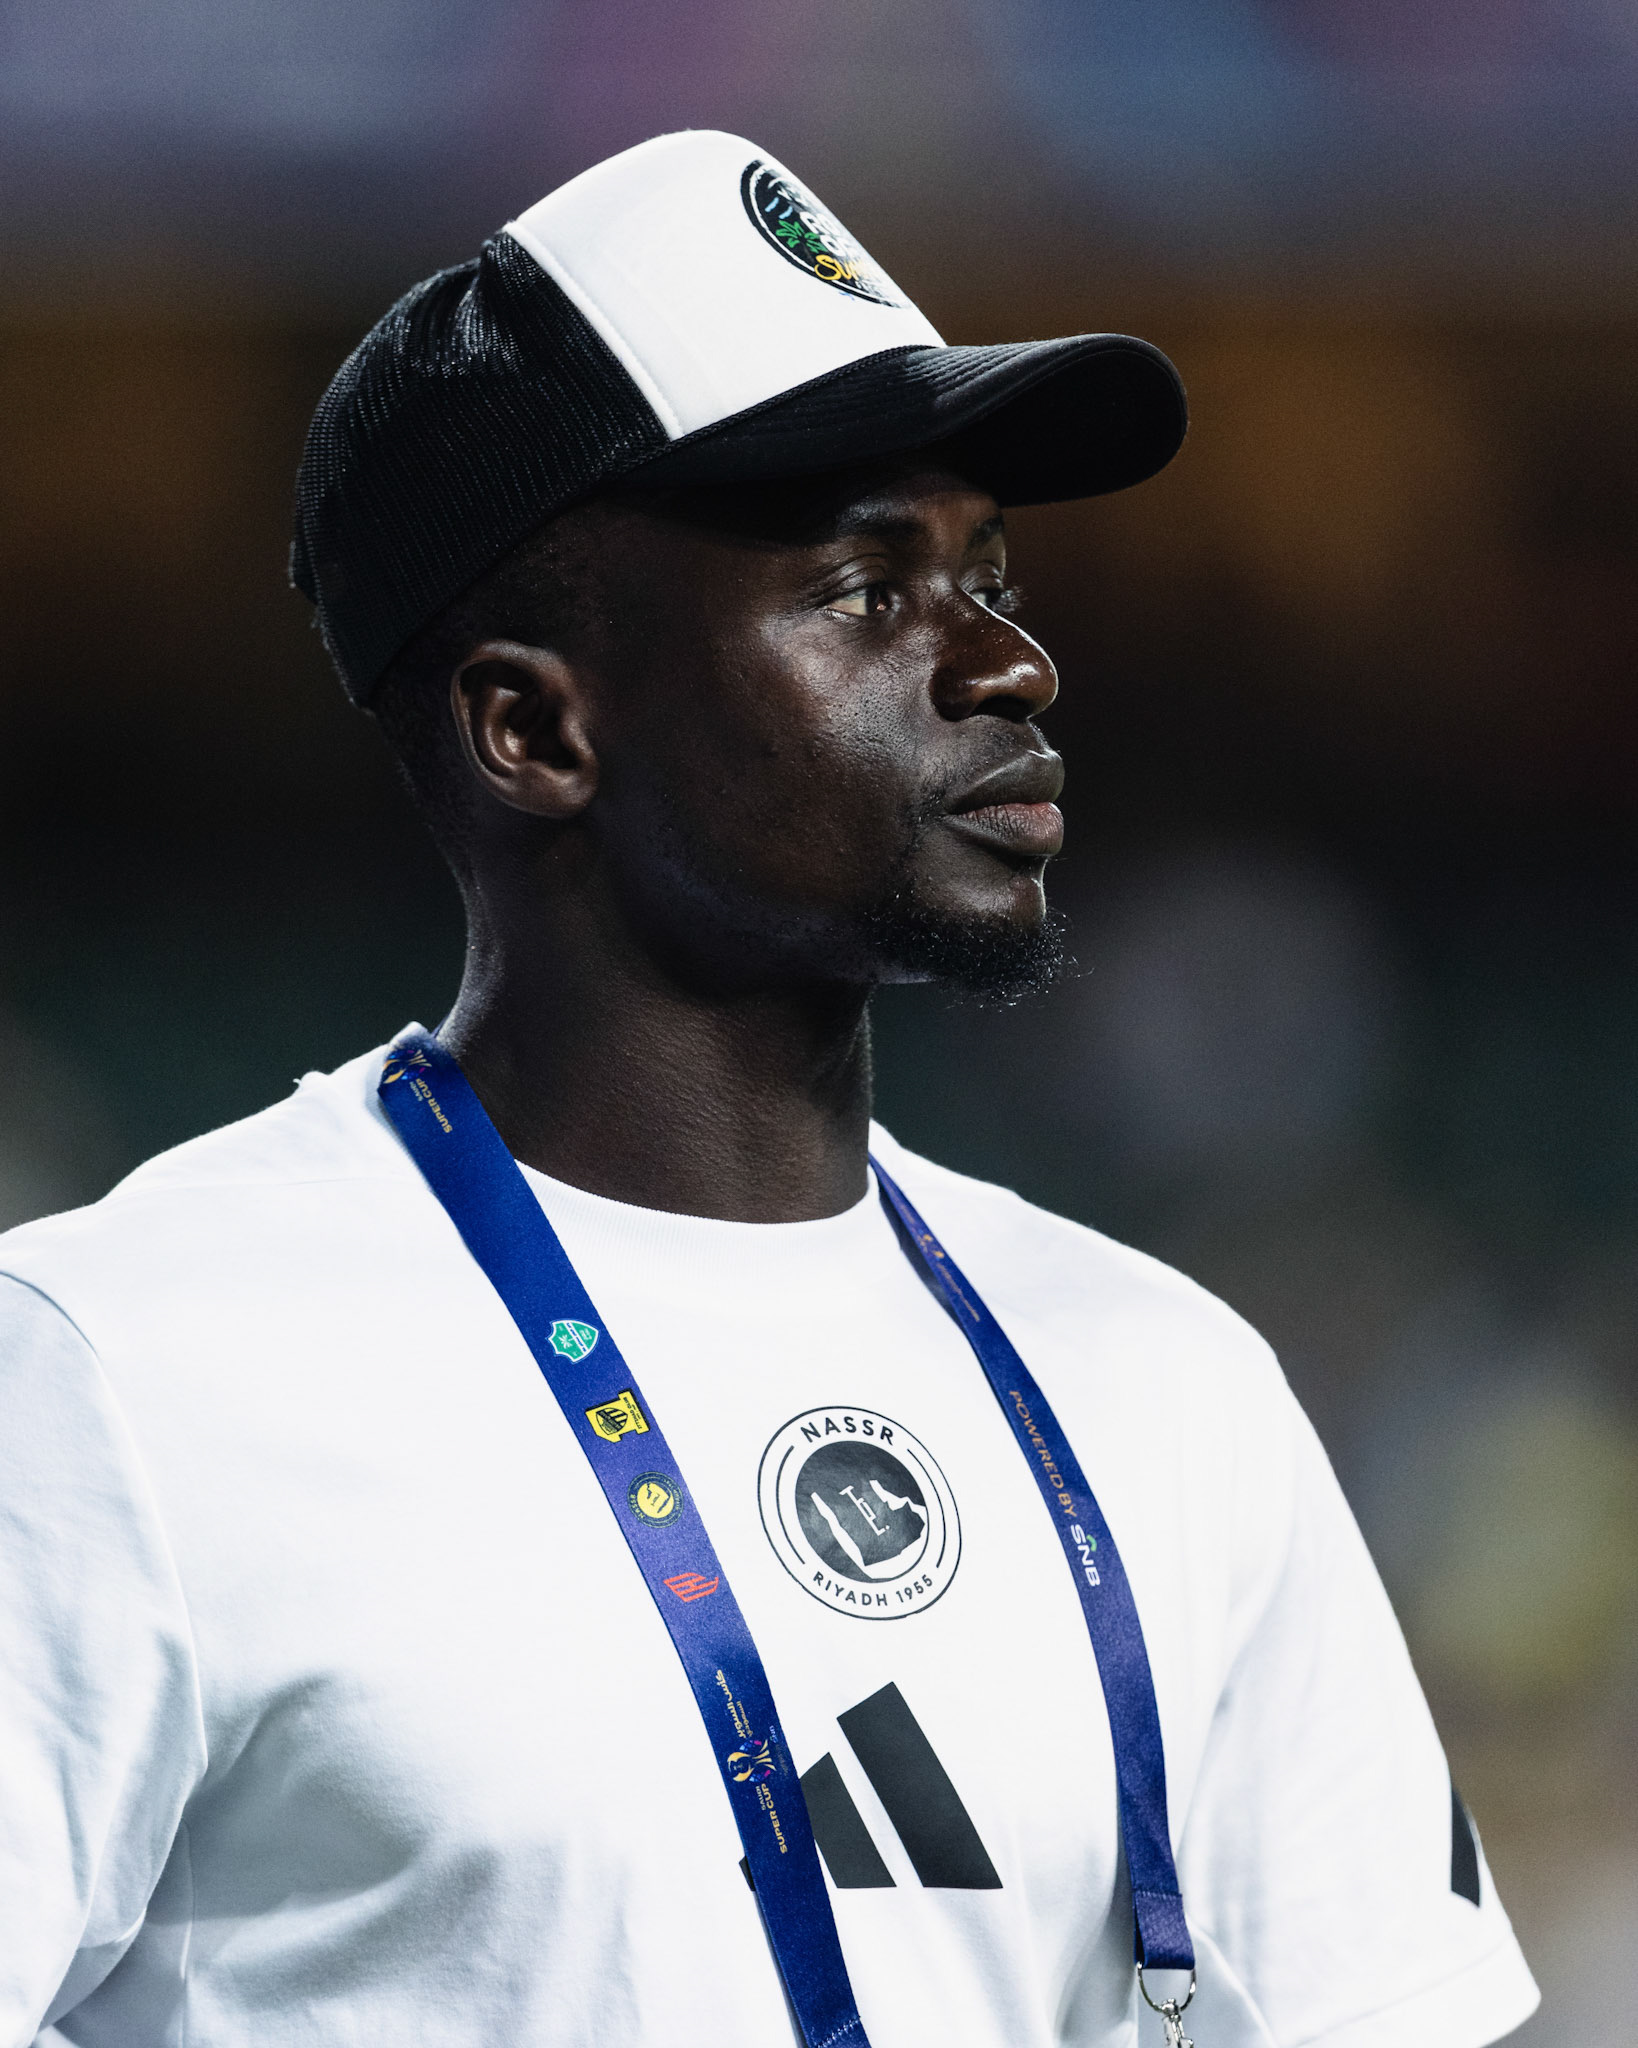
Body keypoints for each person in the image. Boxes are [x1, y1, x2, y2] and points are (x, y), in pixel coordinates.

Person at [0, 132, 1537, 2048]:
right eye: (868, 591)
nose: (1006, 664)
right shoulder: (117, 1373)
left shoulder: (1168, 1380)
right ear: (533, 725)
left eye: (988, 575)